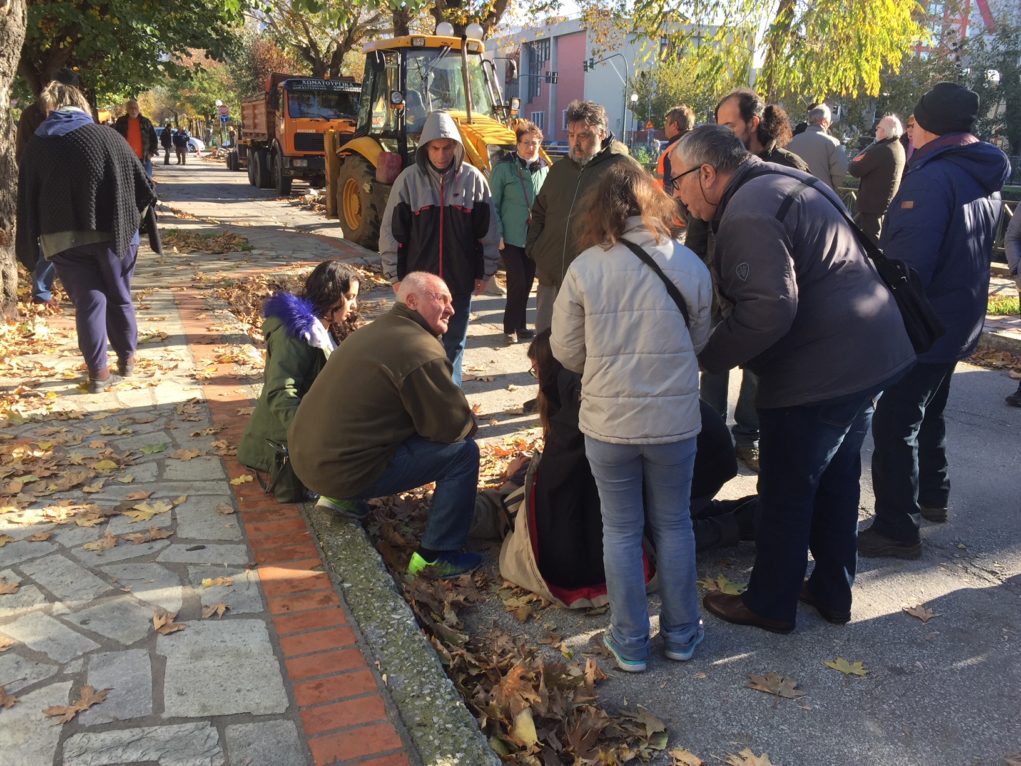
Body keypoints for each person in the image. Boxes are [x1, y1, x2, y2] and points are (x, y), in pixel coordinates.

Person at [670, 125, 915, 633]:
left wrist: (702, 356)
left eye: (678, 182)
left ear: (707, 174)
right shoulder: (781, 180)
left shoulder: (748, 212)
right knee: (836, 481)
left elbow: (767, 309)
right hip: (868, 355)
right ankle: (831, 591)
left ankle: (769, 603)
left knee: (787, 486)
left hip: (821, 372)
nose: (678, 195)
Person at [551, 161, 713, 672]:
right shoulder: (688, 265)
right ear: (654, 203)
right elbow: (699, 342)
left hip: (609, 424)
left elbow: (566, 352)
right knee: (675, 523)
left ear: (601, 210)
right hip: (674, 423)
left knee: (619, 530)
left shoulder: (584, 268)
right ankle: (683, 635)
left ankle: (629, 643)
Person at [860, 83, 1011, 558]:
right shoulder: (980, 172)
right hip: (959, 315)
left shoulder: (931, 176)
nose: (909, 133)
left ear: (925, 127)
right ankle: (934, 496)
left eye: (912, 125)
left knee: (896, 420)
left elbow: (908, 265)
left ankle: (896, 527)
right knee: (930, 410)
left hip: (925, 321)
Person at [289, 272, 483, 578]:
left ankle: (341, 499)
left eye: (452, 301)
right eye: (441, 299)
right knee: (463, 455)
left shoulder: (376, 329)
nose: (451, 309)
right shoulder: (421, 349)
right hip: (338, 471)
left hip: (305, 461)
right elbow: (451, 428)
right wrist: (467, 421)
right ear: (411, 301)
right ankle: (436, 555)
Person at [16, 81, 156, 393]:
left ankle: (98, 375)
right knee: (119, 295)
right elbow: (143, 185)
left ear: (49, 108)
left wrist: (30, 238)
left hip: (62, 239)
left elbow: (26, 195)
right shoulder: (106, 135)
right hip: (114, 233)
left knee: (89, 302)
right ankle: (128, 360)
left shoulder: (37, 145)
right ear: (81, 104)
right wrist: (137, 220)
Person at [701, 89, 811, 471]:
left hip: (765, 289)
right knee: (712, 362)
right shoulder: (716, 163)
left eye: (730, 125)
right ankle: (708, 433)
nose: (724, 133)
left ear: (755, 122)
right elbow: (701, 223)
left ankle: (748, 437)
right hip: (718, 287)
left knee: (757, 370)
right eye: (719, 125)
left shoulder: (789, 165)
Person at [379, 111, 499, 386]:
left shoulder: (474, 181)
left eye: (447, 148)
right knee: (417, 348)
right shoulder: (408, 181)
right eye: (435, 148)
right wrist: (395, 277)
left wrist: (486, 272)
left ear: (456, 146)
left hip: (459, 282)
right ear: (425, 148)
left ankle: (450, 403)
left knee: (454, 346)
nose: (441, 154)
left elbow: (488, 233)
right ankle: (420, 403)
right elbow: (391, 234)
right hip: (419, 288)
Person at [237, 261, 360, 499]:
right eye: (350, 297)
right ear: (332, 295)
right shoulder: (295, 335)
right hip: (281, 442)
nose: (354, 305)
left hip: (309, 425)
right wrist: (311, 435)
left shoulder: (326, 327)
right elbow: (280, 392)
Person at [526, 100, 636, 333]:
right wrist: (536, 249)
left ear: (602, 133)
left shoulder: (622, 169)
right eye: (571, 134)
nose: (576, 142)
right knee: (546, 347)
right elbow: (539, 211)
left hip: (597, 283)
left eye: (584, 135)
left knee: (586, 354)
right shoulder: (559, 170)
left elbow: (641, 222)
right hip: (552, 278)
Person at [16, 68, 80, 307]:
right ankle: (42, 291)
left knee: (72, 239)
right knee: (48, 240)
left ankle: (75, 288)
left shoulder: (79, 114)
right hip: (45, 186)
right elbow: (22, 152)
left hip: (72, 186)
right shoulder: (31, 115)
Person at [490, 120, 547, 343]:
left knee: (528, 282)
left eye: (535, 143)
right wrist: (498, 234)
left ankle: (522, 326)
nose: (530, 147)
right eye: (526, 143)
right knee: (517, 281)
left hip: (533, 238)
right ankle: (509, 328)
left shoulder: (544, 168)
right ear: (517, 144)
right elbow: (493, 203)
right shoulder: (503, 168)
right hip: (510, 237)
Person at [847, 115, 906, 243]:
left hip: (872, 206)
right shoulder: (898, 147)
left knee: (871, 242)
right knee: (852, 232)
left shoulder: (882, 149)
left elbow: (855, 170)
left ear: (884, 131)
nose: (875, 130)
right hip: (881, 205)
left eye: (877, 128)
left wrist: (853, 162)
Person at [786, 103, 848, 190]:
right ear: (824, 121)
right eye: (830, 122)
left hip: (793, 191)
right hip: (820, 193)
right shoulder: (833, 143)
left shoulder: (793, 140)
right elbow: (840, 172)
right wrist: (831, 187)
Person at [113, 99, 158, 176]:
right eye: (131, 108)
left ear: (138, 109)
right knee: (129, 184)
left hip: (144, 158)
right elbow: (115, 138)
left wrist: (151, 153)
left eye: (135, 108)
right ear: (127, 110)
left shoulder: (145, 122)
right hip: (126, 159)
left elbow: (154, 139)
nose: (133, 110)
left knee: (146, 183)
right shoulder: (121, 122)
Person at [657, 105, 696, 187]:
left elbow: (670, 185)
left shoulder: (674, 150)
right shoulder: (695, 145)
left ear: (675, 125)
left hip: (668, 198)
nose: (665, 126)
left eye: (667, 122)